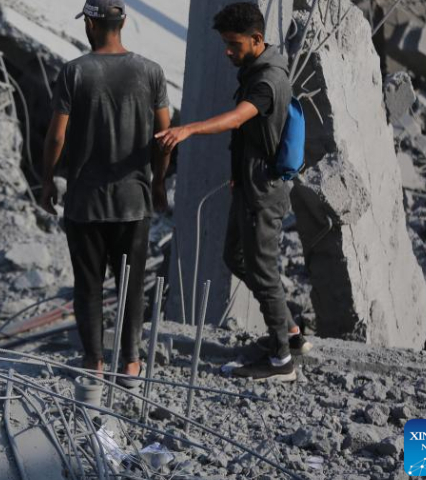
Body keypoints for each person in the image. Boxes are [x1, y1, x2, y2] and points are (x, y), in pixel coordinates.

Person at [156, 2, 310, 382]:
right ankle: (288, 330)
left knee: (261, 268)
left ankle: (280, 360)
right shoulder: (259, 66)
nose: (227, 51)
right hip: (250, 184)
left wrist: (188, 130)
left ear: (256, 39)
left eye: (233, 44)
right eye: (225, 43)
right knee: (235, 257)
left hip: (263, 193)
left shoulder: (265, 81)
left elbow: (239, 117)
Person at [39, 0, 171, 380]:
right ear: (123, 22)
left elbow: (57, 135)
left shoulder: (74, 72)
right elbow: (165, 138)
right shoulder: (151, 72)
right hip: (134, 202)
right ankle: (131, 364)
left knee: (89, 285)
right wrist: (158, 182)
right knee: (130, 286)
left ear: (91, 26)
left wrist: (49, 180)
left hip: (85, 203)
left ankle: (93, 364)